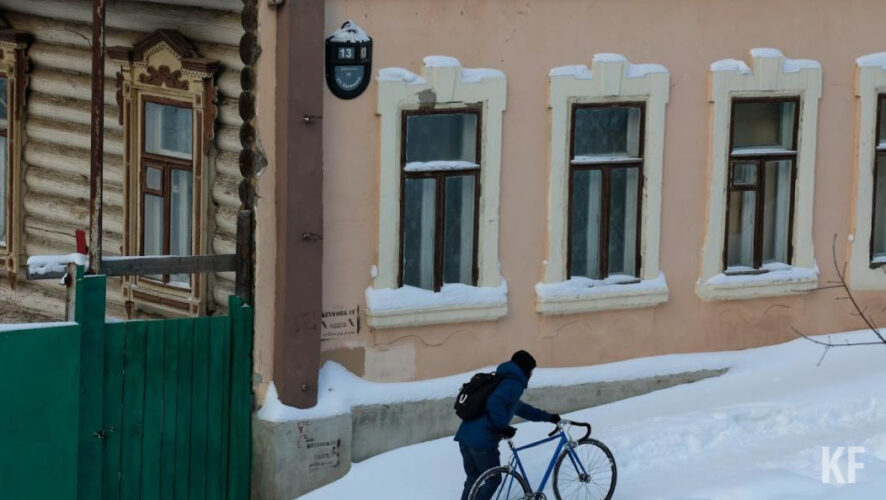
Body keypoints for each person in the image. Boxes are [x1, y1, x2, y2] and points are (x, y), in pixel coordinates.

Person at [454, 350, 561, 500]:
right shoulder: (514, 383)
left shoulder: (502, 380)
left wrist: (549, 417)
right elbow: (495, 402)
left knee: (473, 479)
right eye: (531, 370)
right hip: (482, 442)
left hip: (465, 436)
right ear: (525, 369)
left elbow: (521, 408)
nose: (532, 374)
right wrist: (502, 427)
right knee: (493, 480)